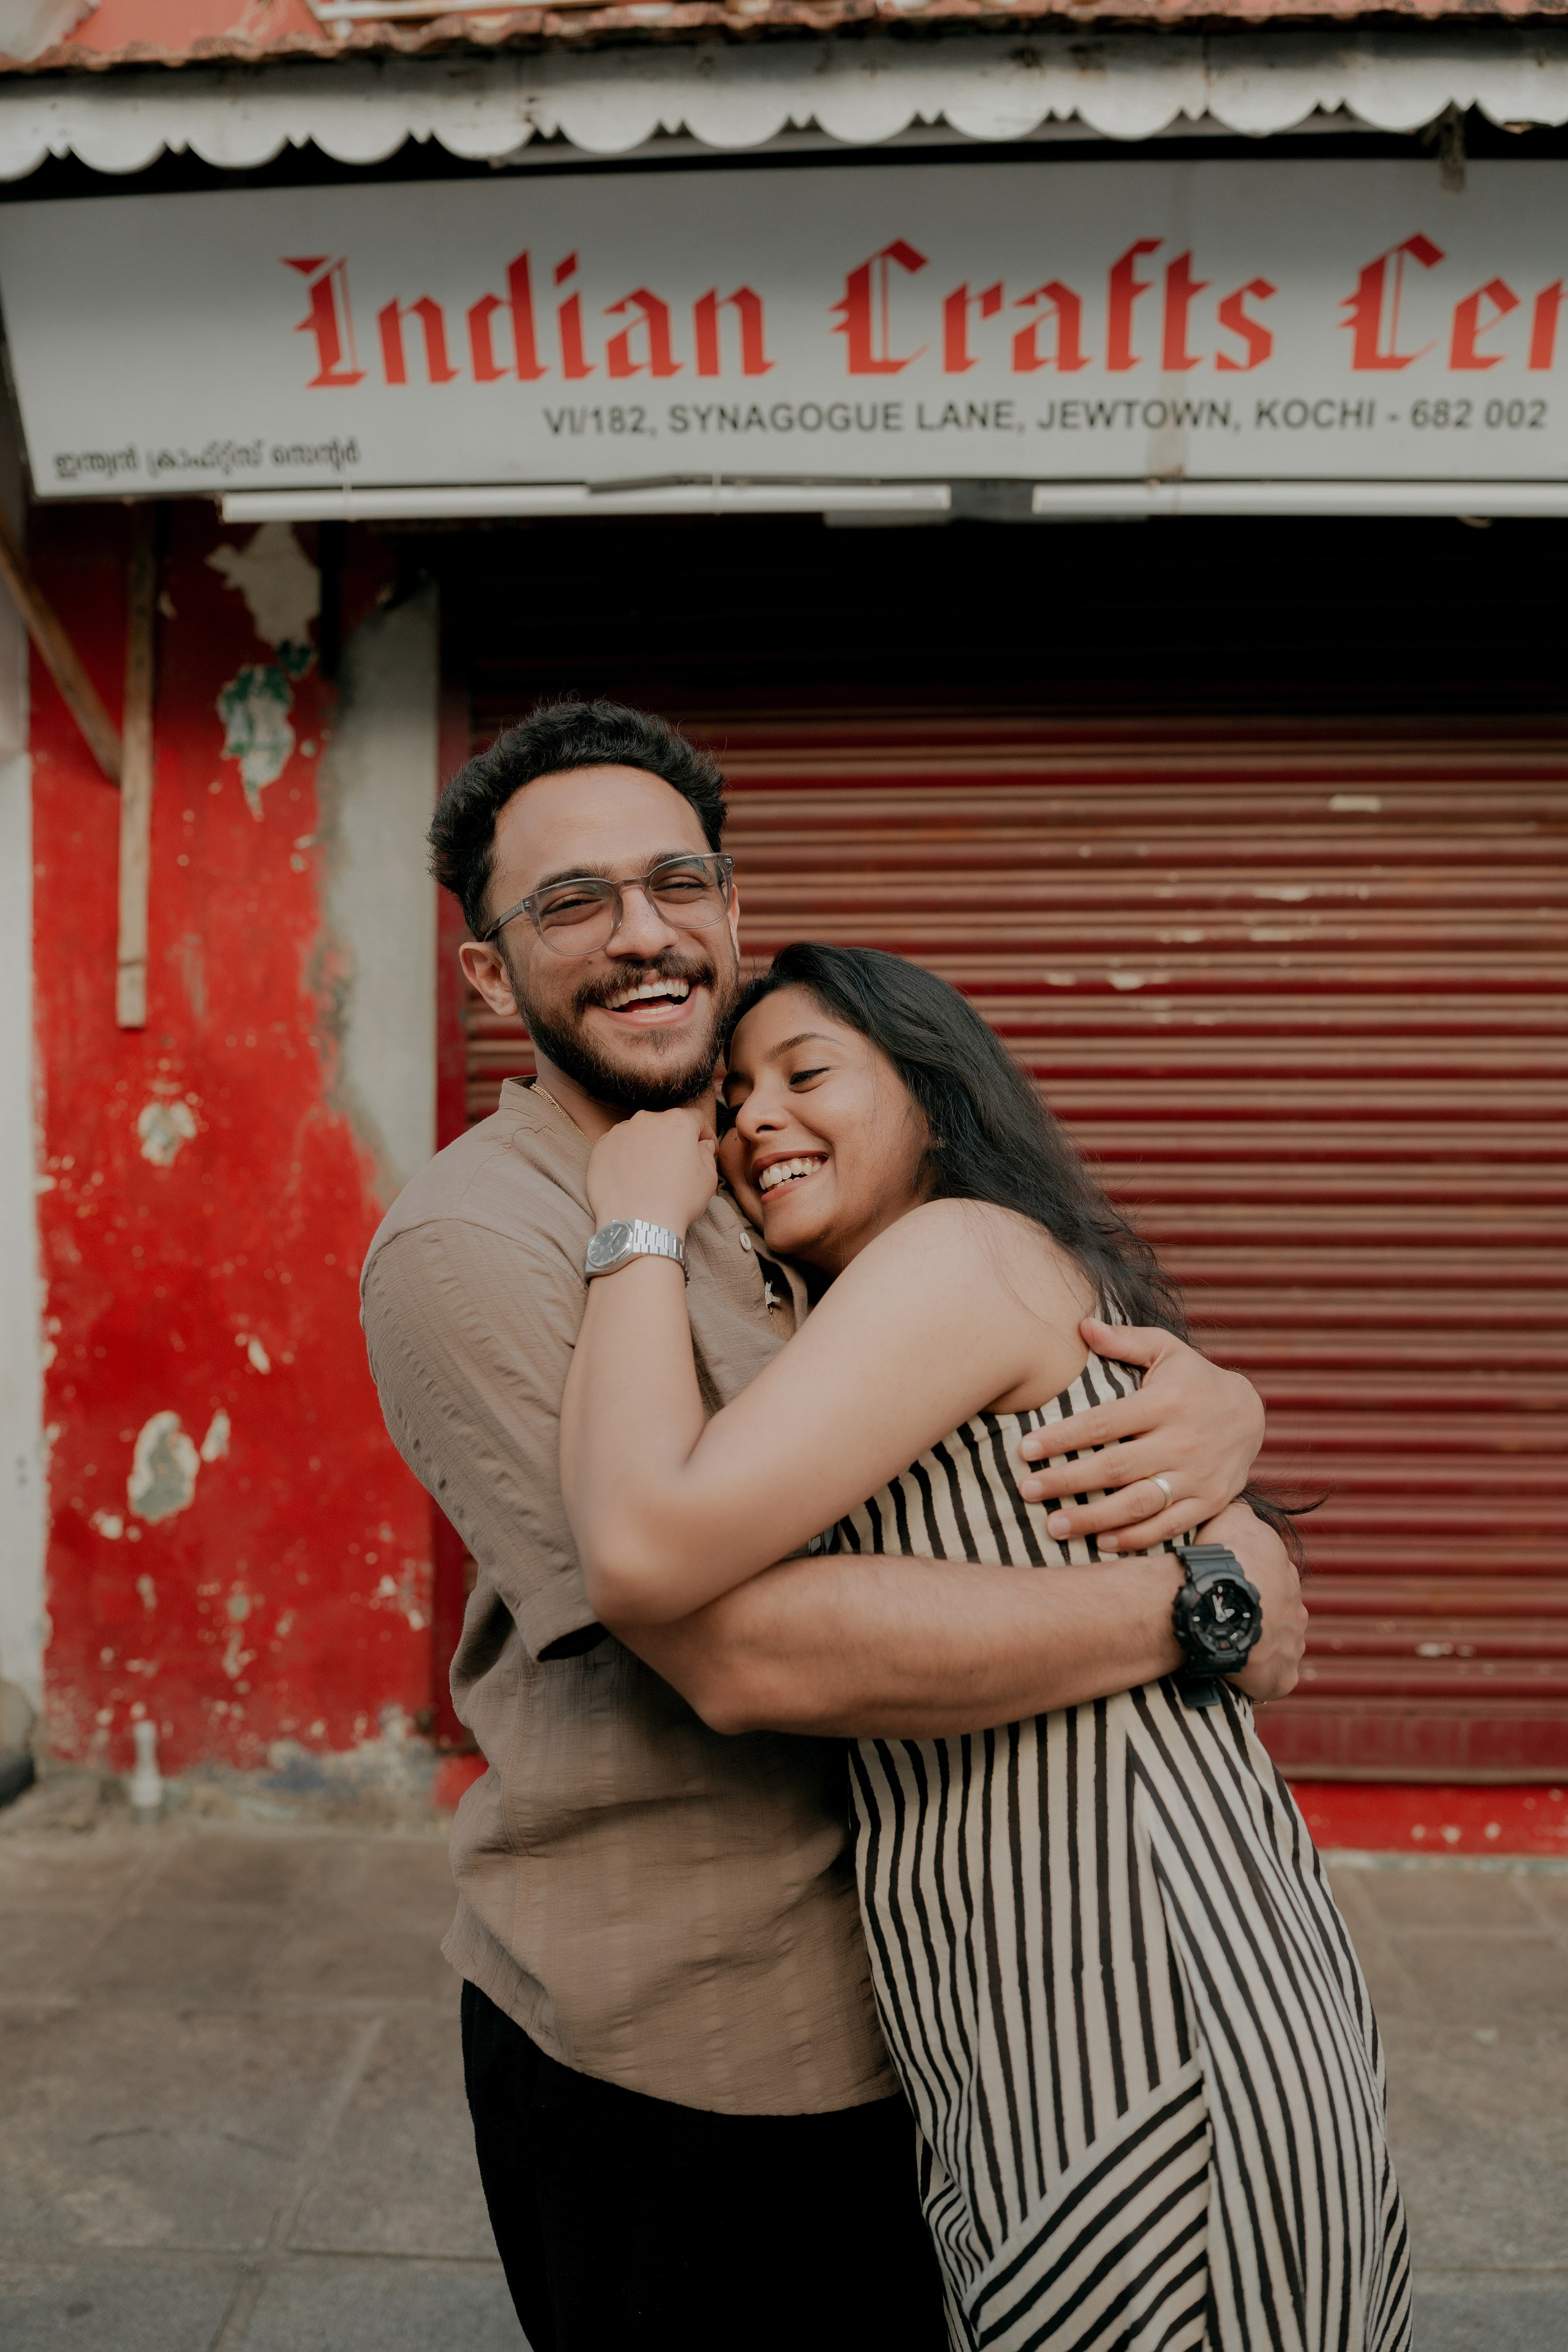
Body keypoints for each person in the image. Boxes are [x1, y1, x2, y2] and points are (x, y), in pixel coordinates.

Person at [361, 700, 1306, 2352]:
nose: (642, 933)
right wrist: (1193, 1613)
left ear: (731, 916)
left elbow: (1027, 1400)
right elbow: (730, 1650)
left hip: (951, 2014)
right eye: (573, 904)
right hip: (688, 2051)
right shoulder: (476, 1237)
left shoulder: (782, 1174)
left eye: (678, 885)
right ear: (492, 979)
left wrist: (1223, 1439)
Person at [558, 941, 1411, 2352]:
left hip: (1149, 2032)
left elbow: (644, 1544)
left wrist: (636, 1222)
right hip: (1059, 2019)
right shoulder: (902, 1304)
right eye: (731, 1095)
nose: (750, 1117)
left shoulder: (956, 1255)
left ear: (937, 1103)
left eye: (807, 1073)